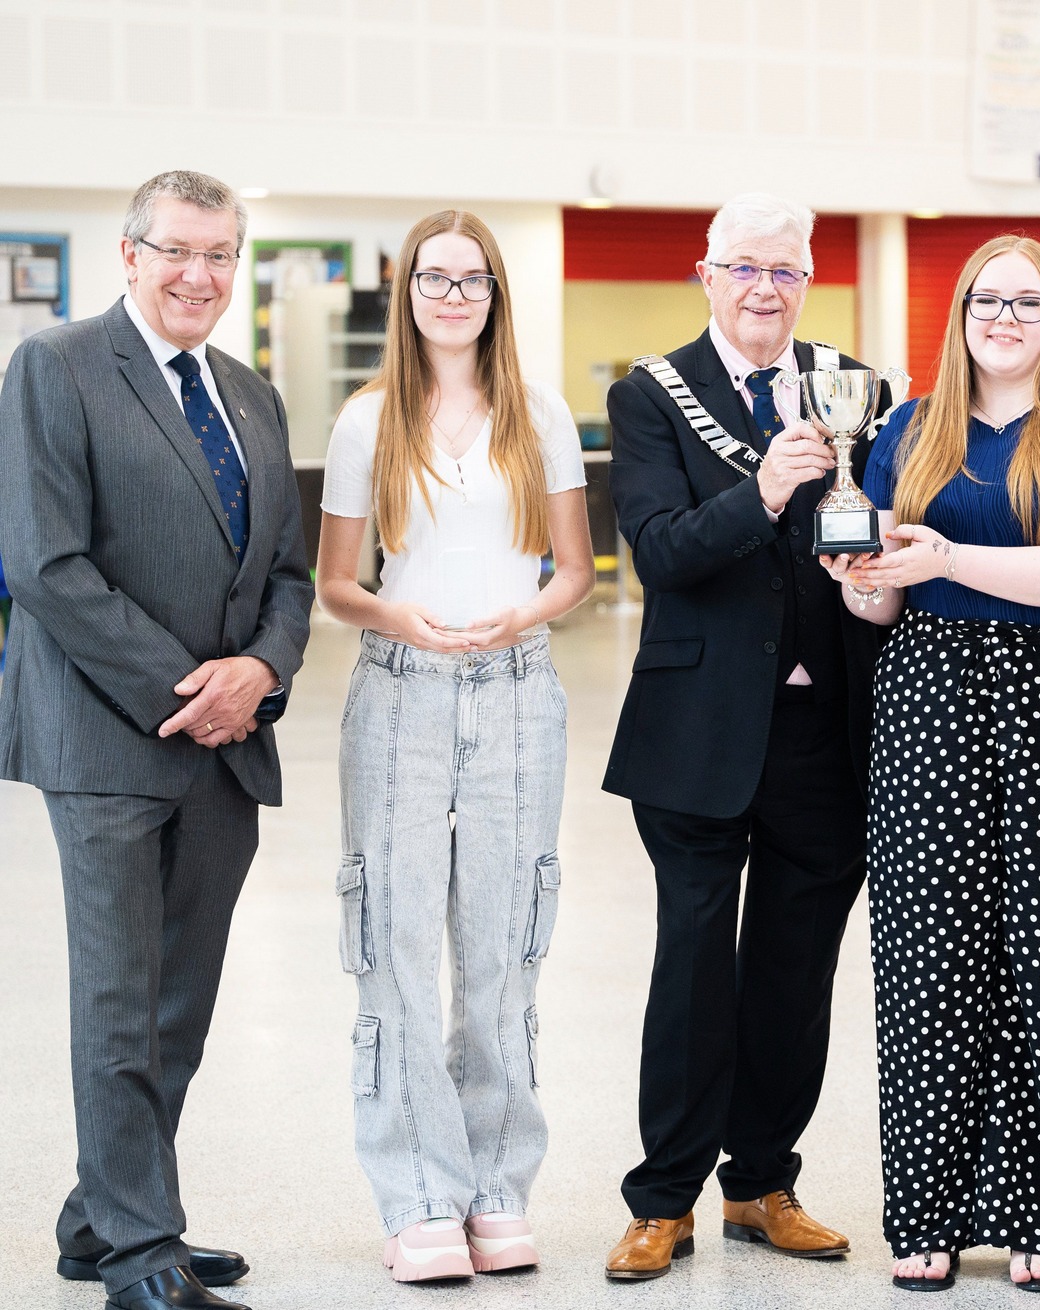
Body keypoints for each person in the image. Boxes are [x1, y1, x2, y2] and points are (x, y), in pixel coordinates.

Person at [0, 171, 313, 1310]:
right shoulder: (57, 365)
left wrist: (264, 670)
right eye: (177, 250)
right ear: (129, 253)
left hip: (227, 744)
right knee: (120, 997)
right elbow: (44, 562)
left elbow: (287, 569)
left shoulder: (253, 393)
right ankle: (141, 1247)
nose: (200, 274)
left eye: (222, 254)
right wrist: (195, 689)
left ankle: (103, 1212)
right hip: (107, 736)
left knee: (179, 995)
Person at [833, 234, 1040, 1291]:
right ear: (959, 312)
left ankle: (1038, 1214)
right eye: (985, 299)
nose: (1002, 317)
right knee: (925, 956)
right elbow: (879, 597)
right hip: (925, 697)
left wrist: (946, 558)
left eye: (1025, 302)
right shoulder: (906, 429)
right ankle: (923, 1210)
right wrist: (858, 575)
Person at [599, 193, 889, 1281]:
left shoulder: (853, 382)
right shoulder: (650, 394)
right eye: (744, 268)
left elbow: (875, 521)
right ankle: (661, 1196)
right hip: (697, 730)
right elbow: (661, 552)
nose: (765, 287)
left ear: (806, 281)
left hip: (824, 728)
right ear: (706, 274)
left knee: (792, 967)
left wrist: (877, 577)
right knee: (692, 968)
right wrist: (764, 489)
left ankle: (762, 1180)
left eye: (785, 270)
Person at [315, 210, 594, 1282]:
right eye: (434, 277)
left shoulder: (541, 415)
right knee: (392, 950)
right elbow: (340, 583)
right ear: (407, 290)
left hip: (518, 693)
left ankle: (492, 1184)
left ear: (495, 295)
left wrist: (519, 619)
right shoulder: (367, 420)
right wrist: (404, 620)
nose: (451, 294)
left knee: (503, 948)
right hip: (400, 695)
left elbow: (570, 567)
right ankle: (419, 1192)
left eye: (471, 278)